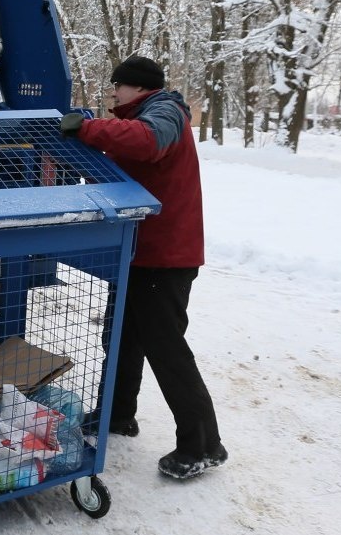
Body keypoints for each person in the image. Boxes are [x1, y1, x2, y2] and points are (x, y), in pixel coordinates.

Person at [59, 55, 226, 480]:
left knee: (168, 352)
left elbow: (148, 142)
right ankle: (118, 413)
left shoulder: (165, 111)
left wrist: (89, 127)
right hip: (137, 253)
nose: (114, 93)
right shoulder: (142, 114)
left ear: (136, 86)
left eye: (118, 85)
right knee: (121, 337)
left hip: (165, 258)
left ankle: (204, 445)